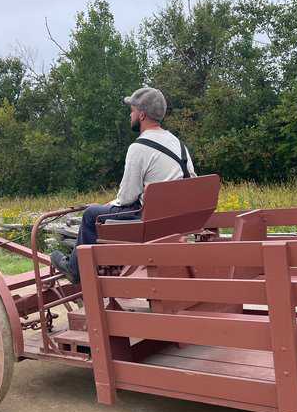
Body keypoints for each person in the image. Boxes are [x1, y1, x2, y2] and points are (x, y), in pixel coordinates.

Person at [50, 87, 196, 284]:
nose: (131, 114)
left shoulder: (140, 147)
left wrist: (109, 203)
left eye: (133, 110)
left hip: (149, 221)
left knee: (91, 214)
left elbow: (126, 198)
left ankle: (75, 270)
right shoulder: (178, 144)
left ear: (142, 114)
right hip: (176, 219)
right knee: (104, 211)